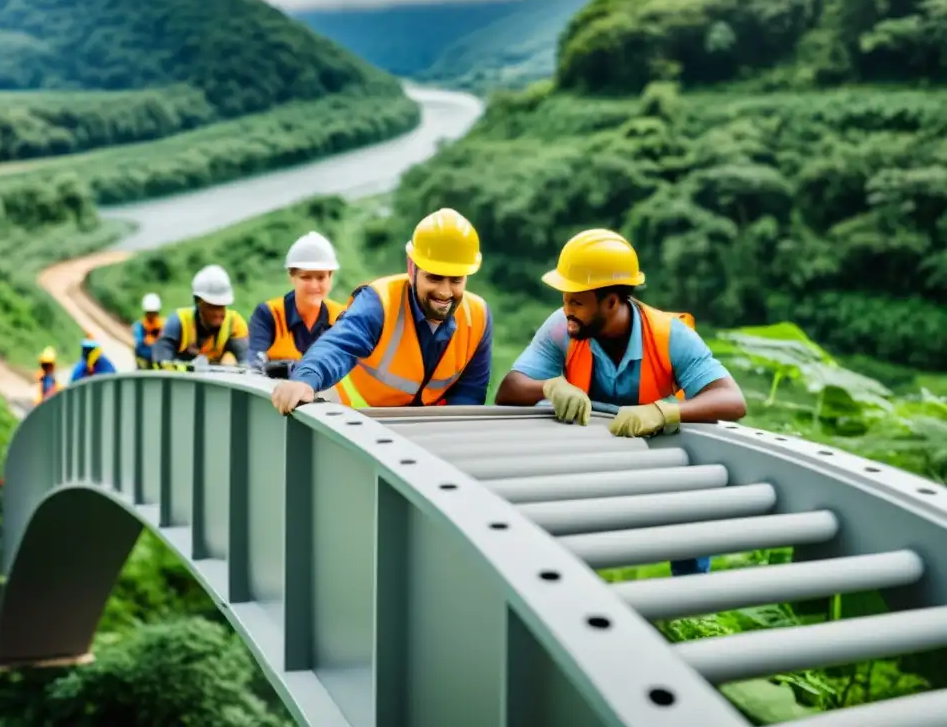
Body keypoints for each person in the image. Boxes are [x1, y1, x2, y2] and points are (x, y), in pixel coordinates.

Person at [495, 229, 747, 577]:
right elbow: (509, 390)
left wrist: (665, 411)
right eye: (565, 299)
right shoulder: (561, 328)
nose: (567, 310)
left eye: (577, 302)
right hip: (582, 454)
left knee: (690, 515)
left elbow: (732, 400)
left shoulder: (671, 337)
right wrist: (549, 386)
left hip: (657, 456)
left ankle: (693, 599)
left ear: (612, 301)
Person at [271, 208, 493, 414]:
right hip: (354, 420)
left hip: (424, 428)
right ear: (411, 268)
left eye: (456, 280)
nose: (445, 292)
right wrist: (306, 379)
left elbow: (469, 393)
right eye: (434, 277)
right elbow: (339, 346)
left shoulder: (478, 316)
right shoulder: (380, 301)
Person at [248, 231, 346, 371]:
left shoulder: (341, 316)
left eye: (321, 277)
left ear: (331, 277)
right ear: (291, 277)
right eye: (305, 277)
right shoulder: (270, 314)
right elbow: (254, 364)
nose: (313, 285)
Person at [152, 264, 249, 366]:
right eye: (211, 306)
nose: (218, 314)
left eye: (221, 306)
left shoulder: (234, 324)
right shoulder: (178, 322)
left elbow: (248, 362)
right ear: (197, 302)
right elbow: (160, 363)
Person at [133, 293, 164, 370]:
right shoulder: (139, 326)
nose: (151, 315)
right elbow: (139, 345)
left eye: (153, 313)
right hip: (143, 364)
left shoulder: (163, 326)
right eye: (149, 313)